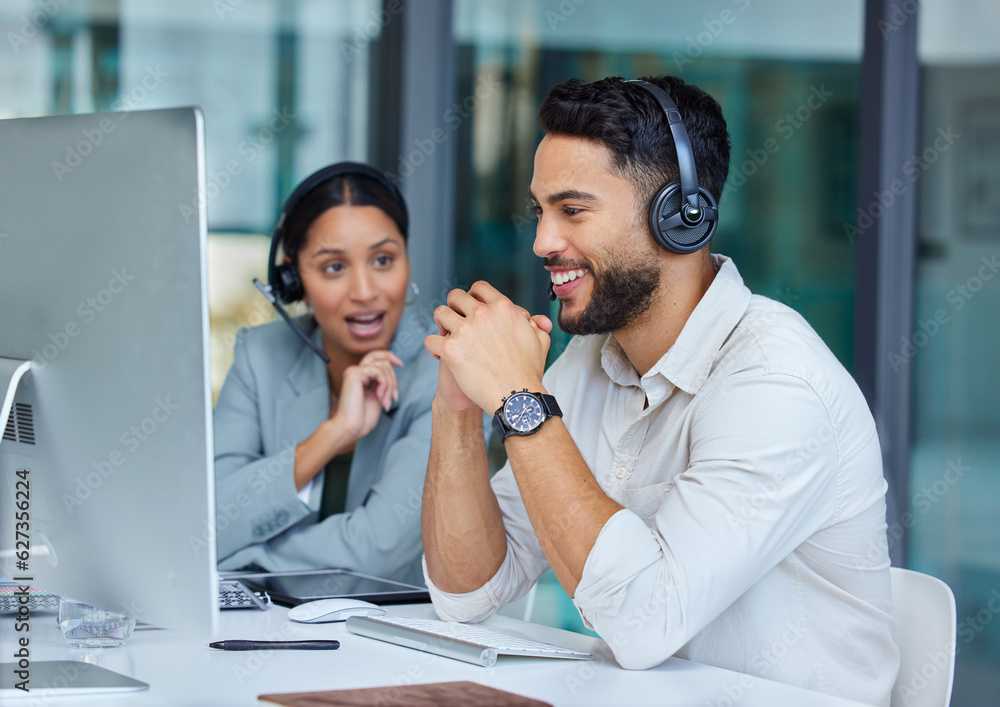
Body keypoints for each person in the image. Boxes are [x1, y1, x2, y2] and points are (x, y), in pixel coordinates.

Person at [421, 76, 899, 706]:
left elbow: (644, 622)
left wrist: (520, 399)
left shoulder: (775, 382)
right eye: (540, 212)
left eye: (572, 210)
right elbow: (468, 592)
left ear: (680, 216)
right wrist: (458, 406)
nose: (541, 242)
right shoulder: (589, 363)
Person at [213, 162, 437, 586]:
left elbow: (377, 554)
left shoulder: (444, 375)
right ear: (292, 280)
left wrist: (242, 556)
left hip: (392, 640)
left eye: (383, 260)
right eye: (334, 267)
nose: (366, 291)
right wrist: (335, 433)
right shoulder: (260, 357)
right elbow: (207, 524)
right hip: (266, 634)